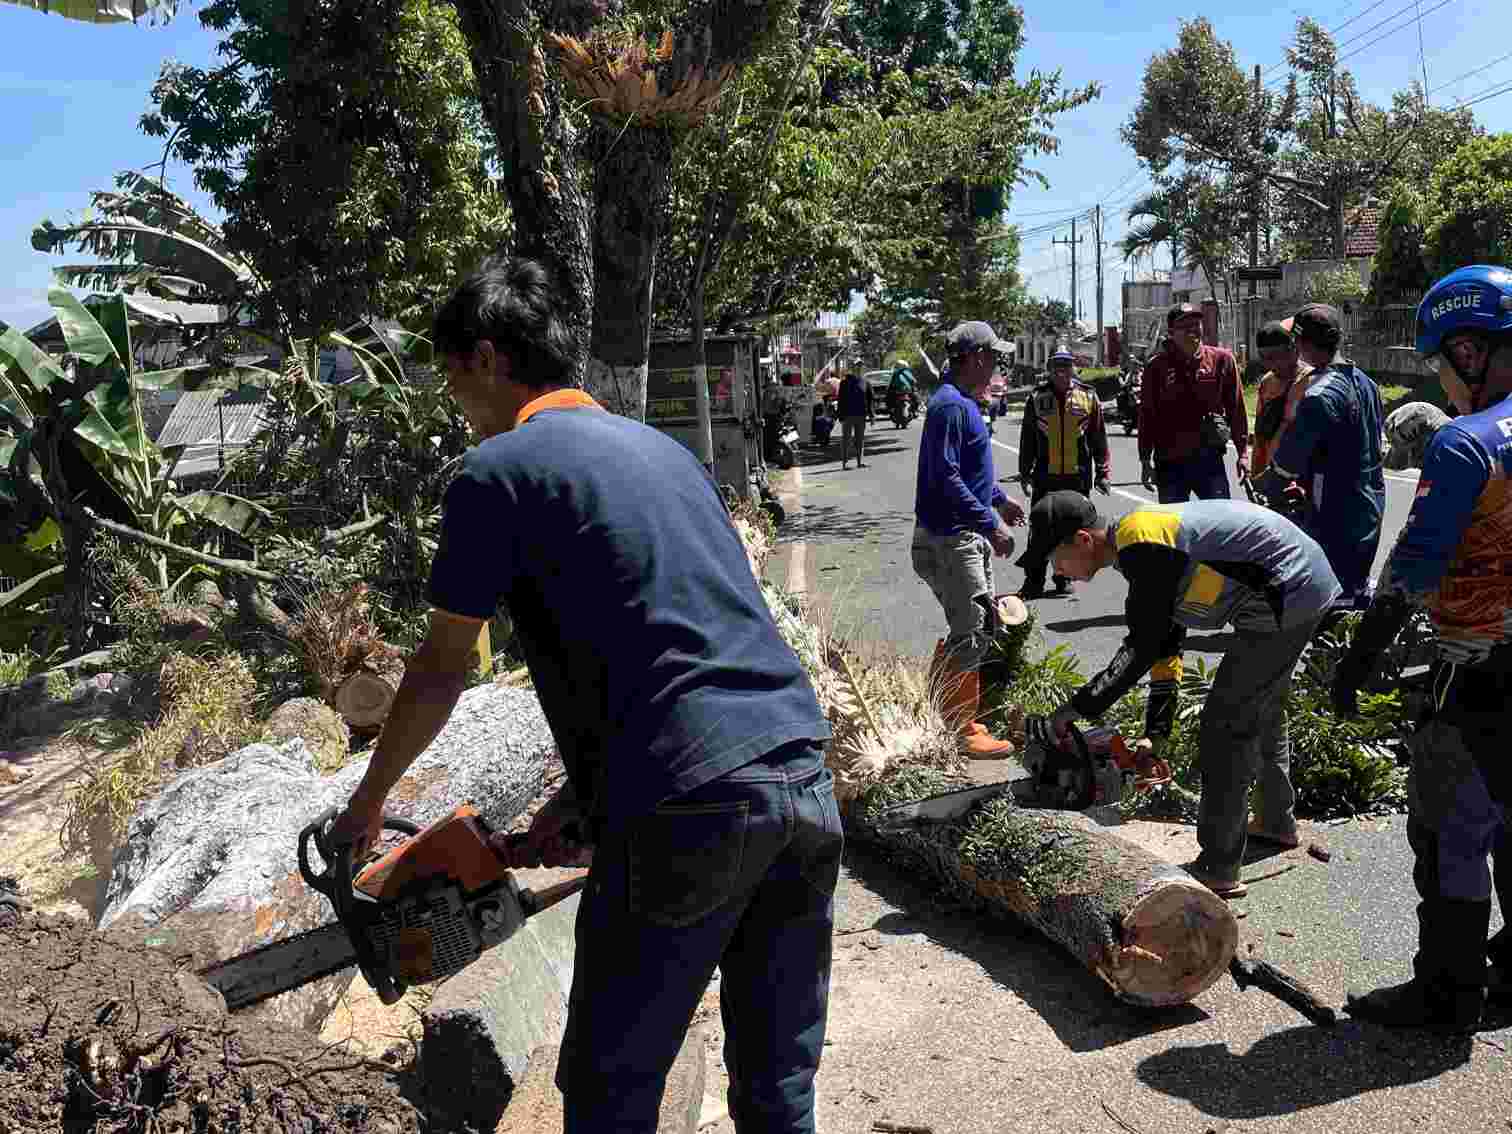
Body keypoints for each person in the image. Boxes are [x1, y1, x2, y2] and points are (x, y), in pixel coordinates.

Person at [326, 254, 840, 1130]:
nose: (463, 412)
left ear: (486, 359)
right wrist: (584, 799)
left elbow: (443, 665)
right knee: (777, 1086)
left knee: (607, 1092)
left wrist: (366, 805)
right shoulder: (665, 456)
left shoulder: (499, 473)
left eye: (456, 385)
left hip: (690, 809)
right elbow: (687, 647)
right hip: (801, 774)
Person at [1331, 264, 1512, 1033]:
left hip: (1479, 669)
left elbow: (1412, 569)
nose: (1442, 381)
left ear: (1470, 352)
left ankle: (1446, 995)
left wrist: (1358, 658)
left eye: (1441, 362)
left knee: (1449, 831)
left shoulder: (1466, 445)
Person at [1018, 491, 1341, 899]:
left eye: (1054, 560)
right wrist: (1157, 732)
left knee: (1226, 725)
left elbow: (1141, 648)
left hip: (1289, 588)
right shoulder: (1140, 547)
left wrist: (1074, 710)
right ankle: (1276, 822)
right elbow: (1166, 643)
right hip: (1298, 582)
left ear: (1083, 539)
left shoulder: (1142, 543)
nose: (1056, 571)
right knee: (1263, 705)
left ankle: (1218, 867)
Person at [911, 320, 1027, 758]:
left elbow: (969, 473)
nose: (998, 364)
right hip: (951, 538)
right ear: (977, 357)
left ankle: (944, 707)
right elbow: (946, 476)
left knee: (975, 627)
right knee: (973, 630)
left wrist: (999, 500)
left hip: (960, 533)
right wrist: (989, 523)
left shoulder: (960, 403)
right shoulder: (951, 407)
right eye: (994, 356)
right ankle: (962, 728)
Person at [1254, 303, 1386, 612]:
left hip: (1335, 510)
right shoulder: (1367, 384)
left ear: (1300, 344)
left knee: (1333, 600)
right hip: (1370, 501)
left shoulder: (1318, 395)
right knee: (1356, 589)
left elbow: (1288, 463)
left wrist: (1267, 485)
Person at [1016, 344, 1111, 598]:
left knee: (1073, 533)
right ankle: (1033, 581)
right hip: (1045, 477)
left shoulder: (1088, 397)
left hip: (1077, 478)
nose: (1061, 371)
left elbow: (1098, 437)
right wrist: (1024, 472)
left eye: (1066, 365)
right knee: (1040, 531)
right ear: (1049, 369)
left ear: (1073, 368)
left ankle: (1064, 577)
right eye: (1056, 366)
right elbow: (1028, 439)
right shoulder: (1036, 398)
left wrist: (1103, 472)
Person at [1138, 303, 1250, 502]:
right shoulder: (1156, 367)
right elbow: (1147, 416)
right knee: (1174, 526)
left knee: (1220, 521)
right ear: (1171, 332)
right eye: (1184, 326)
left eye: (1196, 324)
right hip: (1169, 462)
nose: (1192, 330)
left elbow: (1237, 409)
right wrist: (1145, 460)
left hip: (1209, 460)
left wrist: (1242, 453)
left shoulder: (1222, 360)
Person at [1248, 320, 1315, 477]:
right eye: (1264, 358)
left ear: (1294, 350)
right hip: (1271, 474)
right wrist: (1255, 474)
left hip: (1300, 478)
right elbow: (1260, 436)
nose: (1270, 364)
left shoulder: (1312, 380)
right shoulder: (1267, 382)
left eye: (1276, 356)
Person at [838, 368, 869, 469]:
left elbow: (869, 398)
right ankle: (845, 463)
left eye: (860, 367)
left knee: (860, 439)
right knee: (846, 439)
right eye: (856, 367)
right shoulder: (844, 383)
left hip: (861, 415)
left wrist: (871, 415)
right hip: (847, 415)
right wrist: (840, 415)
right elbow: (841, 399)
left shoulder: (865, 382)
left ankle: (860, 462)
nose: (858, 370)